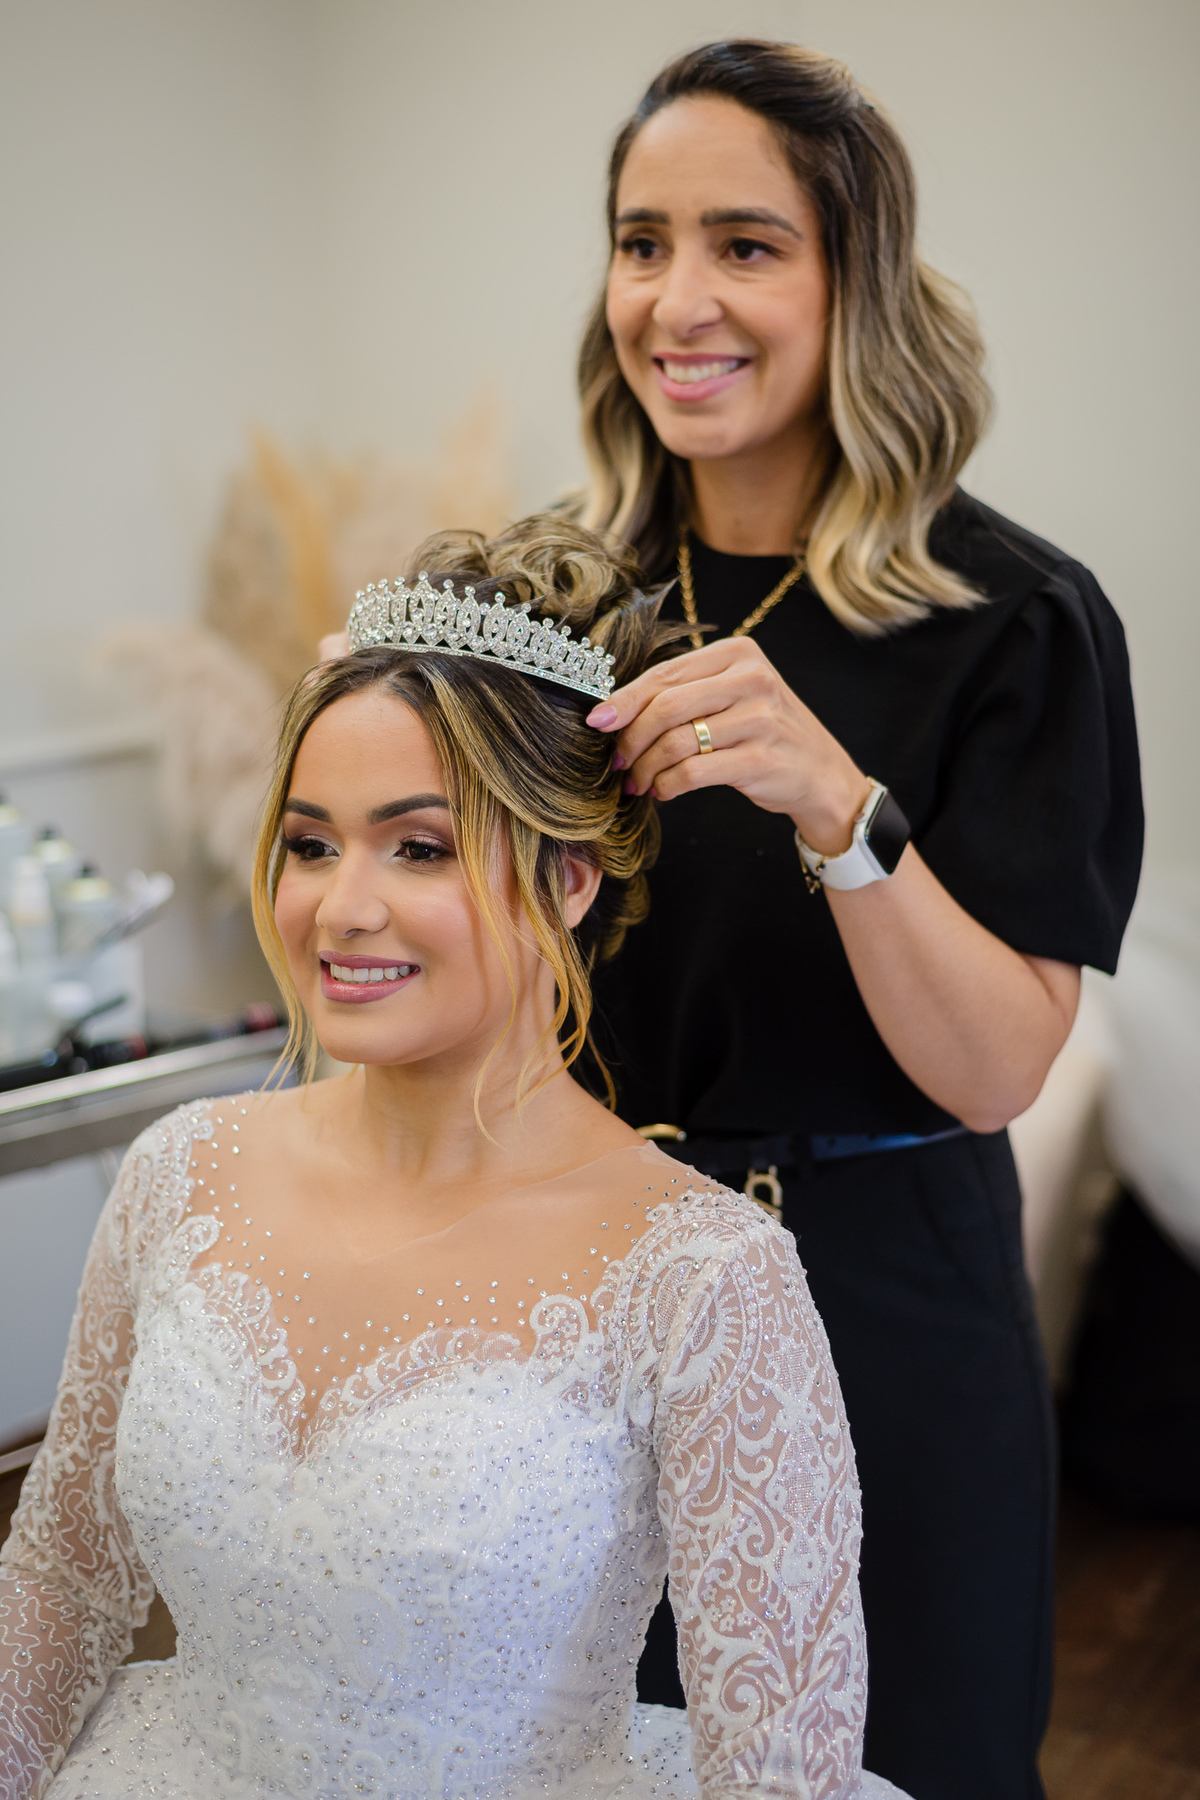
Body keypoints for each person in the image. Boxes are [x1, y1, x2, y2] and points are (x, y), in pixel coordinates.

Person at [0, 517, 909, 1800]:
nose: (342, 907)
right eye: (311, 843)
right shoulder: (181, 1172)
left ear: (571, 878)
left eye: (418, 846)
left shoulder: (706, 1279)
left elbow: (781, 1773)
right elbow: (62, 1576)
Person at [568, 39, 1144, 1800]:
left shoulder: (1016, 620)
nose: (678, 300)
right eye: (642, 241)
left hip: (883, 1305)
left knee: (915, 1761)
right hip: (592, 1301)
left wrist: (841, 810)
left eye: (745, 244)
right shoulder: (559, 605)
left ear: (855, 280)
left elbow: (996, 1071)